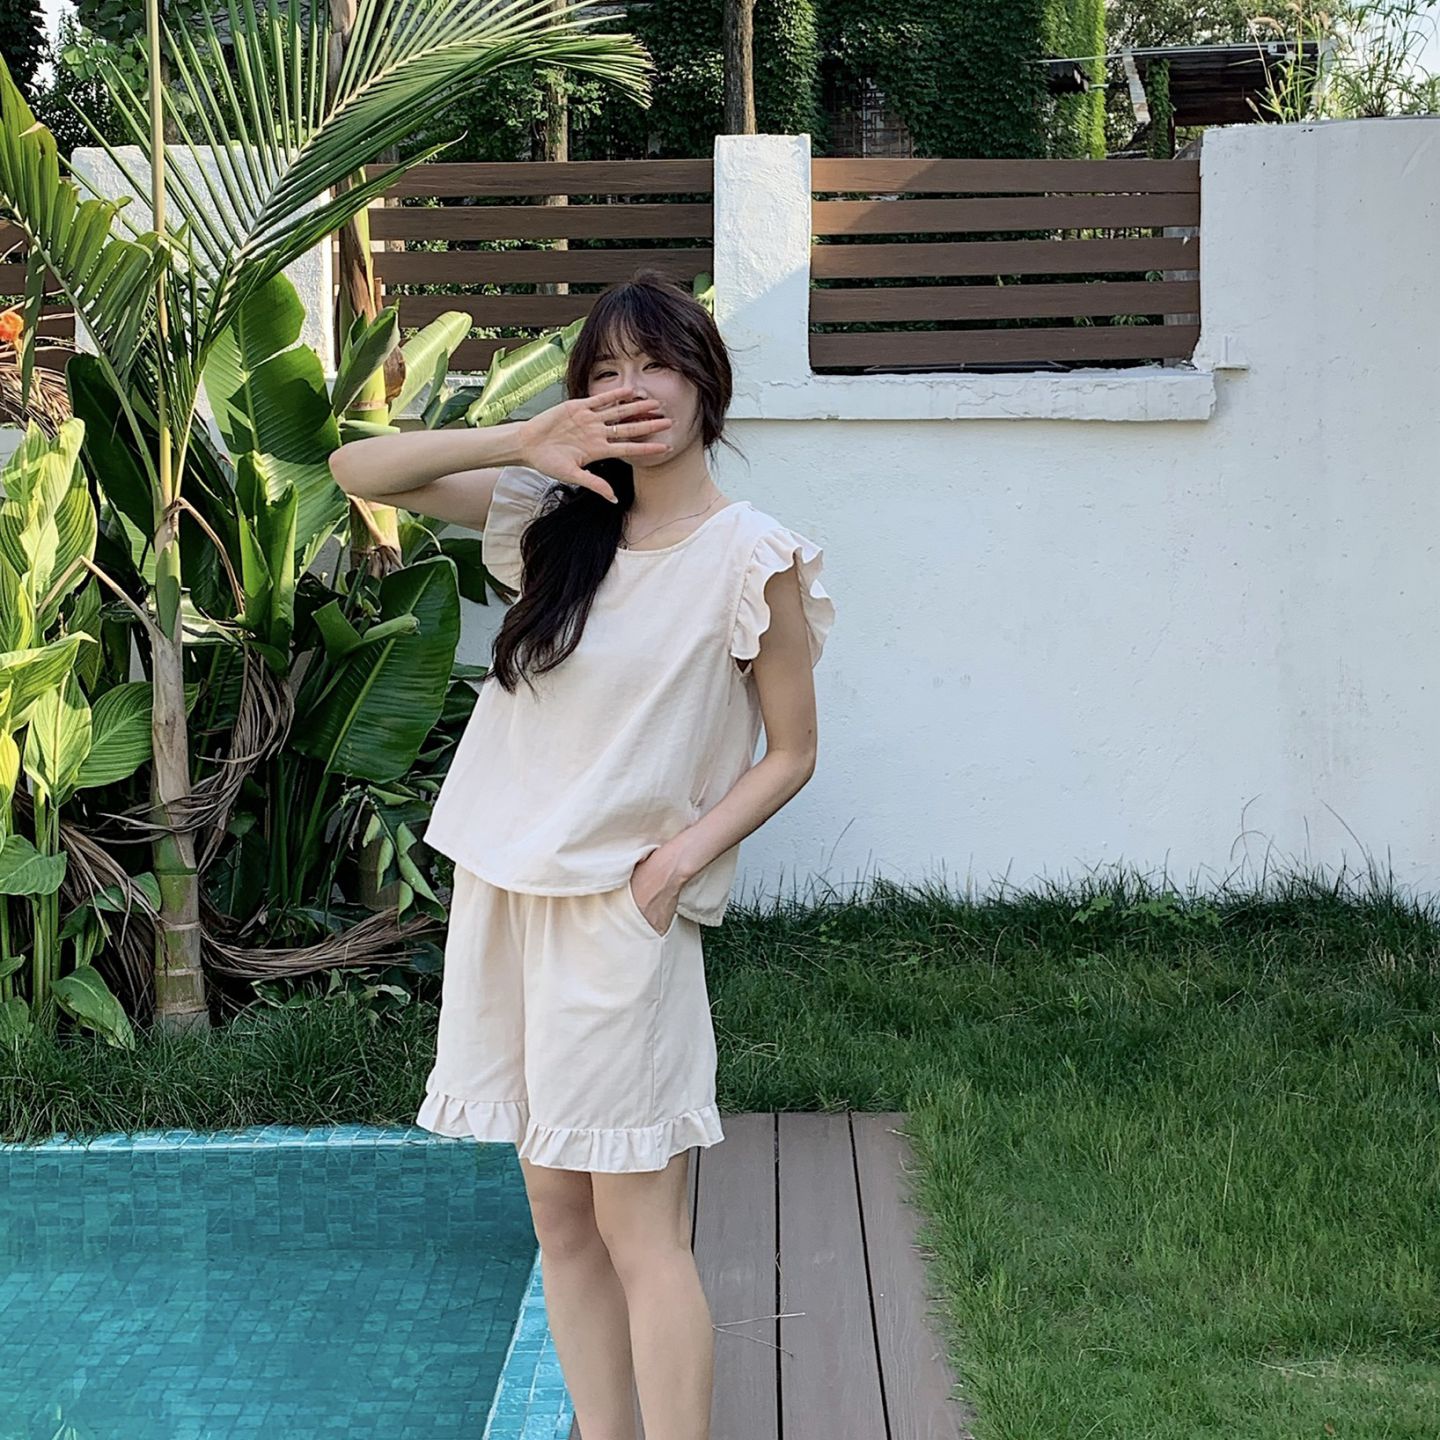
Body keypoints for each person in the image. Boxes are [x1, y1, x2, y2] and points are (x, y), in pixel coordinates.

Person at [328, 268, 835, 1440]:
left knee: (639, 1228)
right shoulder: (557, 522)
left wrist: (673, 867)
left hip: (620, 909)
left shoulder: (751, 558)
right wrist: (523, 438)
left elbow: (793, 752)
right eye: (606, 372)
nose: (633, 390)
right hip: (507, 896)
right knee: (559, 1218)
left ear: (706, 383)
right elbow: (356, 469)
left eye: (656, 364)